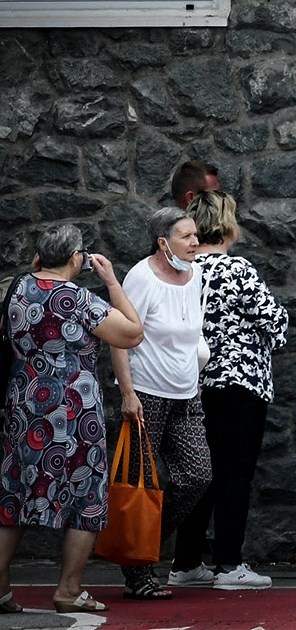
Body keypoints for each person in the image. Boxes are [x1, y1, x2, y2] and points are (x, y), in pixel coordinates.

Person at [0, 227, 143, 614]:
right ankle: (68, 589)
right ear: (76, 259)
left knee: (15, 492)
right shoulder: (76, 298)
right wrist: (112, 280)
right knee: (86, 496)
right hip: (72, 409)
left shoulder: (17, 289)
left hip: (24, 403)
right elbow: (131, 334)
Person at [171, 191, 288, 590]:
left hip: (193, 383)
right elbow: (274, 322)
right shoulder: (236, 269)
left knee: (199, 474)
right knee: (235, 472)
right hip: (240, 384)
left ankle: (185, 561)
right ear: (227, 224)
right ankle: (228, 563)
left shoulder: (182, 270)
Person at [111, 207, 214, 600]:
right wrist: (127, 393)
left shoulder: (195, 275)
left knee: (197, 475)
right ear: (162, 242)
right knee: (140, 482)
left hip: (187, 393)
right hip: (146, 394)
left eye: (195, 235)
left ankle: (143, 548)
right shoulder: (141, 277)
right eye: (187, 237)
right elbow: (122, 335)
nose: (195, 243)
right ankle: (137, 571)